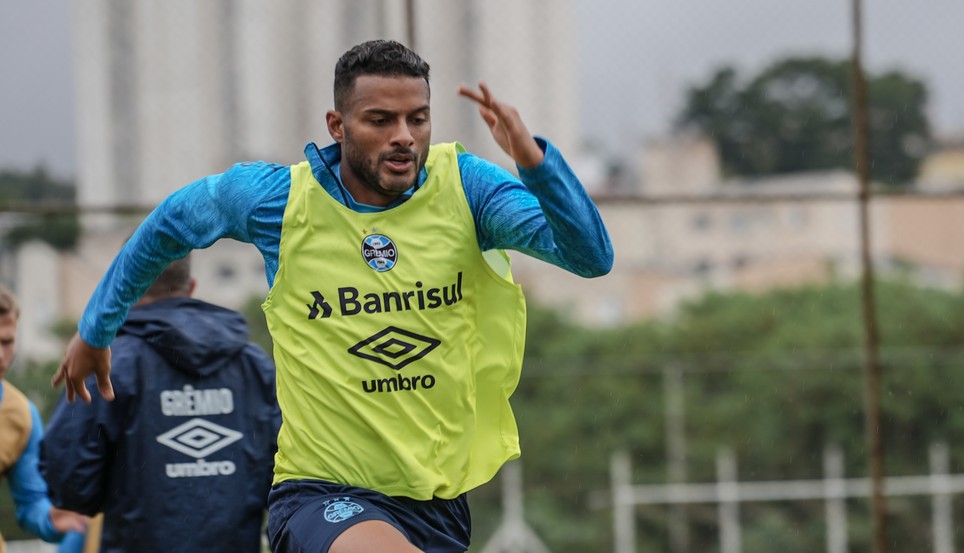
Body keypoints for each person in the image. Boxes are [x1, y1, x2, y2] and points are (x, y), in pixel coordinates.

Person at [52, 39, 613, 553]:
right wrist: (97, 329)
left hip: (437, 503)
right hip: (323, 494)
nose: (404, 136)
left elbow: (590, 257)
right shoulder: (276, 201)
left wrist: (535, 163)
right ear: (338, 125)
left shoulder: (467, 187)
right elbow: (168, 226)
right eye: (380, 120)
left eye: (417, 119)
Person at [41, 255, 281, 553]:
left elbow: (68, 480)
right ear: (191, 286)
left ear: (122, 287)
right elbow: (290, 475)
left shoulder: (110, 367)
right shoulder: (255, 366)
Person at [0, 284, 87, 553]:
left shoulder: (22, 414)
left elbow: (30, 502)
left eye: (6, 342)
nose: (1, 355)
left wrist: (51, 518)